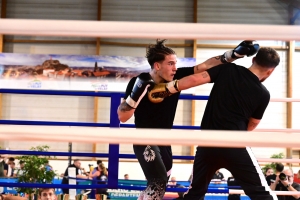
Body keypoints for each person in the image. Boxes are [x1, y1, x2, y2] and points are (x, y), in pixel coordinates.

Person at [117, 39, 256, 200]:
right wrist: (136, 95)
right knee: (158, 183)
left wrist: (234, 54)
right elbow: (122, 116)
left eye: (175, 63)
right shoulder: (136, 82)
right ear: (157, 66)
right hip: (144, 139)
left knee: (158, 185)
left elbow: (204, 66)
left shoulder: (177, 77)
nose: (175, 68)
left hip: (164, 142)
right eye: (170, 64)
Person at [150, 46, 280, 200]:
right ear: (270, 71)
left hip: (207, 144)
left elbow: (194, 79)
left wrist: (164, 90)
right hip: (235, 146)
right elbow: (251, 126)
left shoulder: (228, 69)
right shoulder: (263, 94)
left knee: (194, 193)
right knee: (262, 193)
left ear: (253, 60)